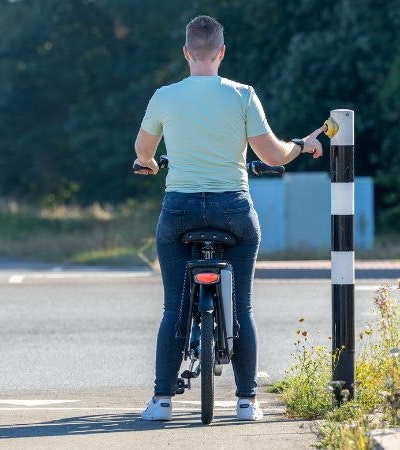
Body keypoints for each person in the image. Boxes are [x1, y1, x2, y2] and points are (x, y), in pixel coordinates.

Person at [133, 15, 325, 422]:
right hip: (233, 210)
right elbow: (271, 155)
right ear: (222, 52)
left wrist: (148, 163)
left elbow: (143, 150)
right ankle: (246, 402)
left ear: (186, 52)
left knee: (173, 310)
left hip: (180, 209)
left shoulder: (165, 96)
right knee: (242, 310)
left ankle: (162, 401)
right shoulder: (242, 95)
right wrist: (302, 146)